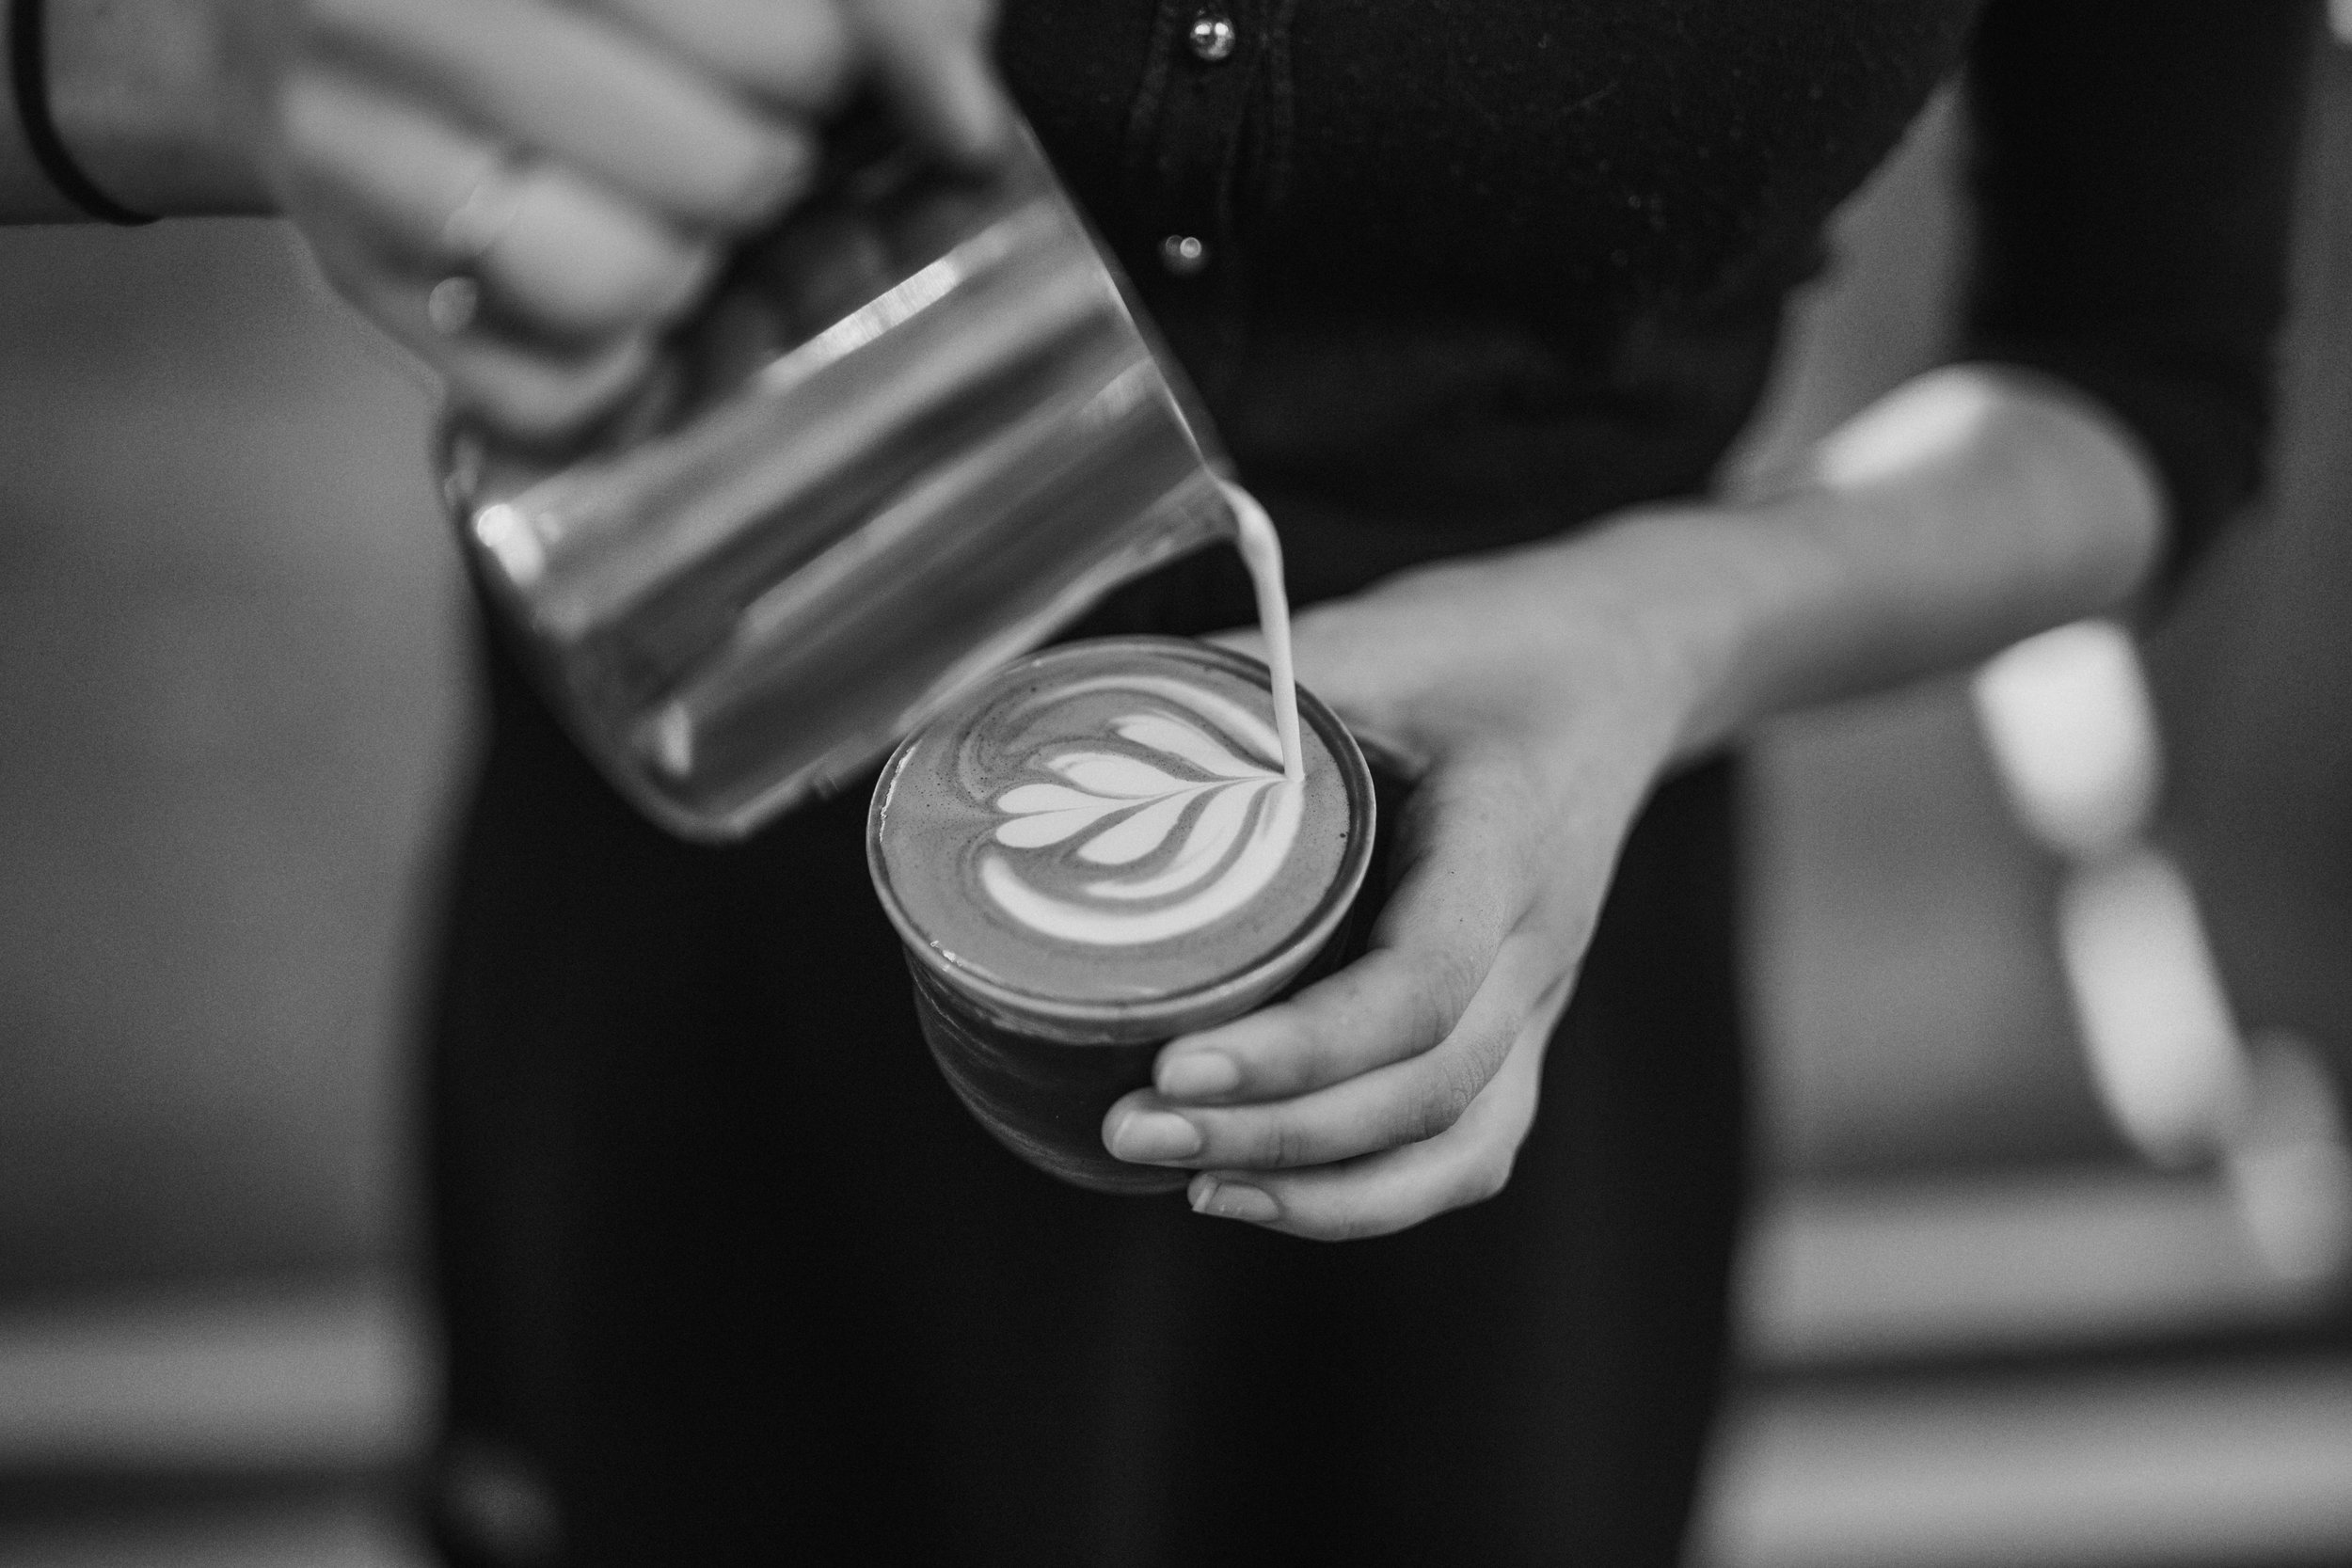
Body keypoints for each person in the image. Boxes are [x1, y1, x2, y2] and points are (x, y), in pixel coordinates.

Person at [5, 1, 2318, 1561]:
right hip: (717, 845)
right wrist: (196, 58)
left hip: (1502, 921)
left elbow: (2143, 381)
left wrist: (1657, 630)